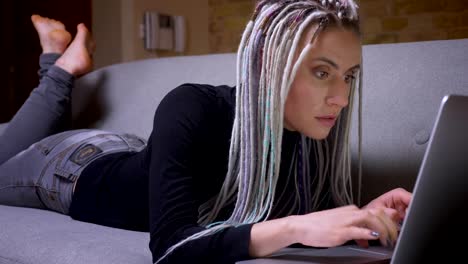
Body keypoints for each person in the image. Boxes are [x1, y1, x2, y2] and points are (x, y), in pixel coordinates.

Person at [0, 1, 412, 263]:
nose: (341, 97)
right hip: (69, 170)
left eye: (349, 76)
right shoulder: (192, 105)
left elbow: (305, 208)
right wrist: (297, 227)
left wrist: (364, 217)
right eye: (322, 72)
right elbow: (171, 248)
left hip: (135, 148)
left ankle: (57, 59)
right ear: (268, 66)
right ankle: (58, 66)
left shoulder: (311, 133)